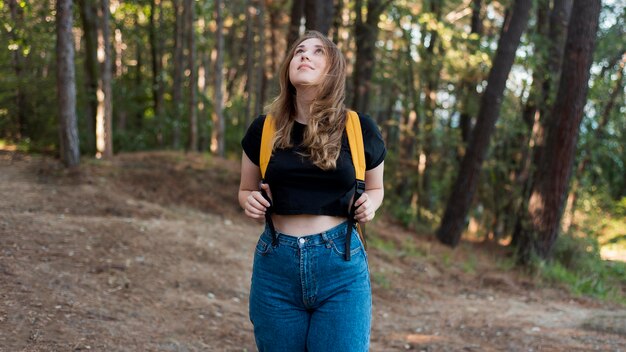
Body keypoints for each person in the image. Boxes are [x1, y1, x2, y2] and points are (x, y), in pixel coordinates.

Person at [238, 30, 386, 352]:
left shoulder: (359, 129)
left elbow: (375, 188)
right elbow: (246, 189)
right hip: (275, 266)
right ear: (288, 68)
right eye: (299, 51)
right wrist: (249, 201)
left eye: (318, 52)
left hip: (340, 266)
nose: (304, 55)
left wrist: (369, 206)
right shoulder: (263, 129)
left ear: (333, 70)